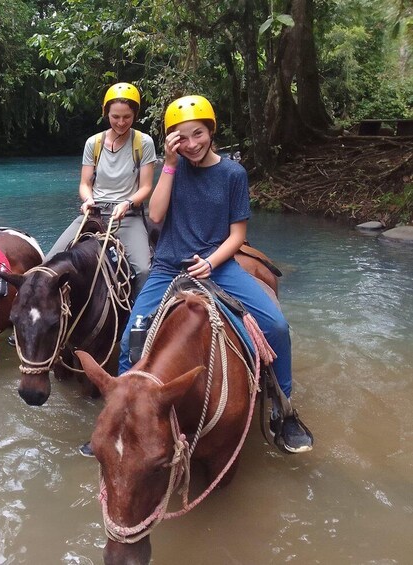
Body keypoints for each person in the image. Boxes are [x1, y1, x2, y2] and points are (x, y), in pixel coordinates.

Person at [117, 95, 313, 453]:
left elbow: (237, 233)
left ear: (211, 131)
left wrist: (211, 261)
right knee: (130, 338)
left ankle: (284, 410)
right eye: (182, 137)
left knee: (277, 327)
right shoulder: (172, 168)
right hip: (167, 266)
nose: (192, 144)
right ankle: (121, 417)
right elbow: (156, 216)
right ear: (171, 140)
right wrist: (171, 165)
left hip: (220, 266)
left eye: (198, 134)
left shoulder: (233, 174)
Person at [46, 82, 157, 298]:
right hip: (94, 212)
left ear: (135, 114)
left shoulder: (143, 142)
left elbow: (145, 187)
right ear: (106, 113)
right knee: (50, 261)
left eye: (127, 117)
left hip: (127, 215)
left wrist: (127, 203)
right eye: (115, 116)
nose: (121, 122)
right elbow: (85, 183)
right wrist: (87, 200)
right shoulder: (93, 143)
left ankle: (140, 319)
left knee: (143, 269)